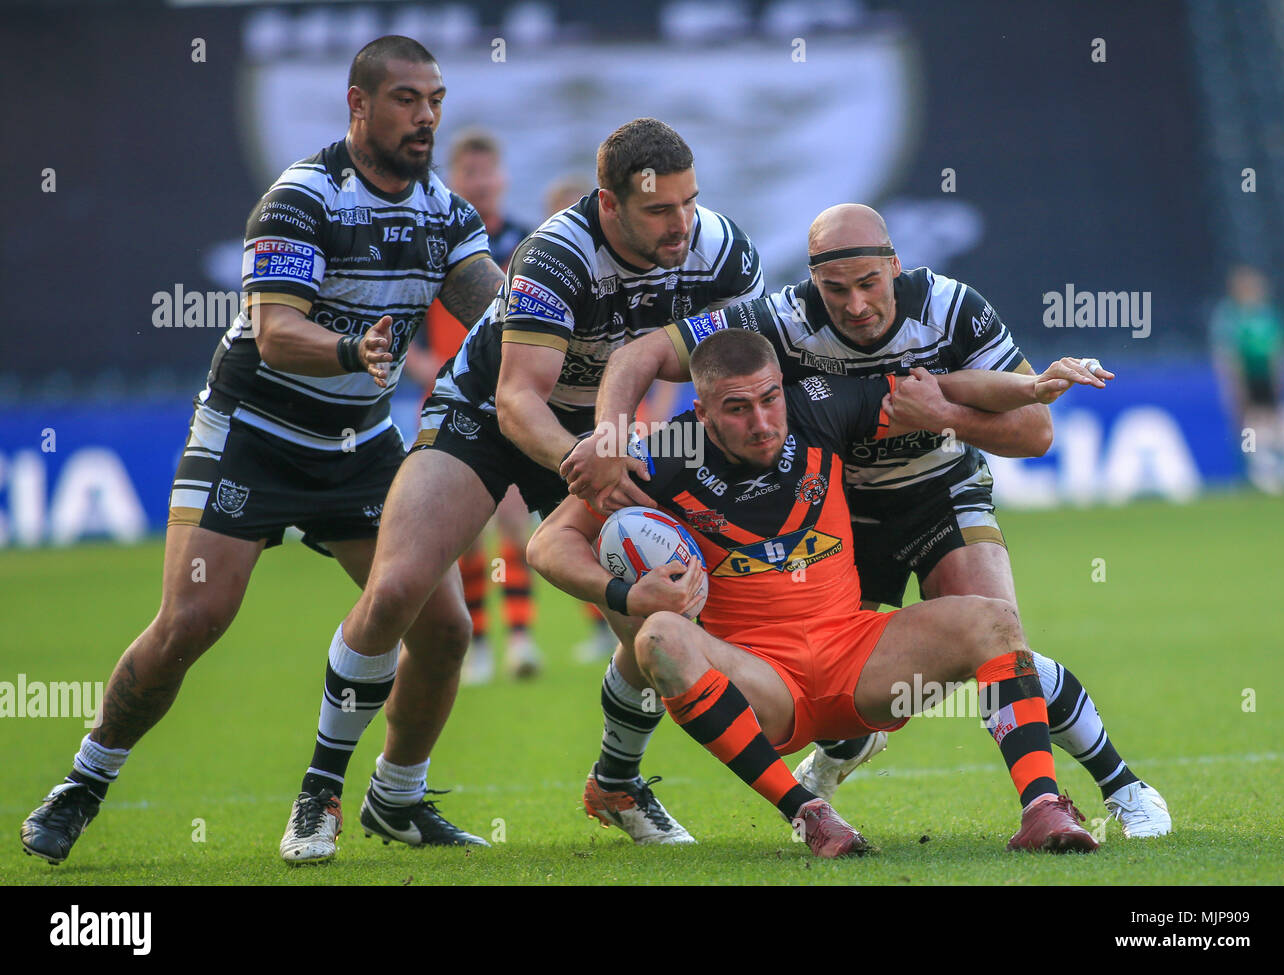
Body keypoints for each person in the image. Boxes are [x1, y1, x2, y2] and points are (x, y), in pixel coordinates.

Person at [19, 36, 505, 866]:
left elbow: (499, 315)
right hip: (254, 434)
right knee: (193, 620)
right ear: (358, 105)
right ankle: (84, 780)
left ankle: (396, 796)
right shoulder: (300, 199)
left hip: (359, 445)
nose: (425, 116)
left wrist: (564, 331)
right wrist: (357, 353)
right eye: (406, 99)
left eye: (435, 99)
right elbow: (277, 334)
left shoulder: (445, 214)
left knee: (447, 627)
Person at [563, 204, 1171, 841]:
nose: (853, 305)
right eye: (835, 290)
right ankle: (840, 749)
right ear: (812, 284)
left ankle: (1120, 785)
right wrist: (610, 437)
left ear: (894, 266)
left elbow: (1035, 432)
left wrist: (944, 414)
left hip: (941, 492)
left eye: (868, 284)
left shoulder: (953, 307)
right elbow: (639, 354)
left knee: (997, 641)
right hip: (845, 508)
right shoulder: (779, 318)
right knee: (832, 674)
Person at [278, 117, 766, 861]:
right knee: (397, 585)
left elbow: (735, 372)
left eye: (689, 203)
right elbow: (515, 399)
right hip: (487, 414)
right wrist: (591, 456)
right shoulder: (556, 254)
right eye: (659, 211)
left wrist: (661, 447)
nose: (681, 225)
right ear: (609, 204)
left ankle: (618, 779)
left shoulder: (722, 250)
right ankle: (323, 788)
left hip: (599, 428)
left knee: (655, 606)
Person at [531, 329, 1109, 856]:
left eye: (769, 399)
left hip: (857, 659)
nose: (761, 421)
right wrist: (626, 596)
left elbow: (942, 386)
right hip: (762, 681)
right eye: (736, 409)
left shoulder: (820, 405)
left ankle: (1042, 808)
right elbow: (548, 543)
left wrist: (1030, 385)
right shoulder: (659, 452)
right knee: (658, 636)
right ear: (701, 413)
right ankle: (809, 814)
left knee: (993, 619)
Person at [405, 128, 541, 684]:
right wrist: (429, 373)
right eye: (469, 175)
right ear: (454, 182)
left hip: (506, 401)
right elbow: (403, 335)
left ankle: (521, 639)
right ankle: (478, 642)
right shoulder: (434, 248)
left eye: (488, 173)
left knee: (511, 522)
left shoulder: (529, 246)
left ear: (501, 178)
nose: (480, 183)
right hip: (447, 405)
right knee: (462, 532)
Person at [1210, 265, 1284, 493]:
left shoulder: (1268, 313)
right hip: (1245, 377)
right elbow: (1227, 352)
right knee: (1247, 425)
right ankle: (1251, 469)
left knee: (1275, 421)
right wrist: (1234, 382)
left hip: (1266, 376)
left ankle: (1282, 467)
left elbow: (1279, 348)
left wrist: (1280, 375)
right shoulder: (1230, 315)